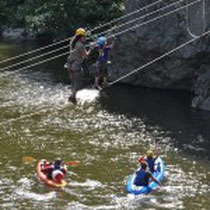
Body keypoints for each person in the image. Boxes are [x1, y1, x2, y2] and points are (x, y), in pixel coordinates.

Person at [67, 28, 93, 104]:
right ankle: (72, 97)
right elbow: (86, 56)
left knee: (73, 82)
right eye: (84, 37)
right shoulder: (81, 46)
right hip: (76, 66)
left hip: (69, 64)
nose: (85, 38)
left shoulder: (72, 41)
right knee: (78, 84)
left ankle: (73, 97)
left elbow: (77, 35)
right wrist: (91, 48)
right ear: (80, 37)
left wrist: (87, 33)